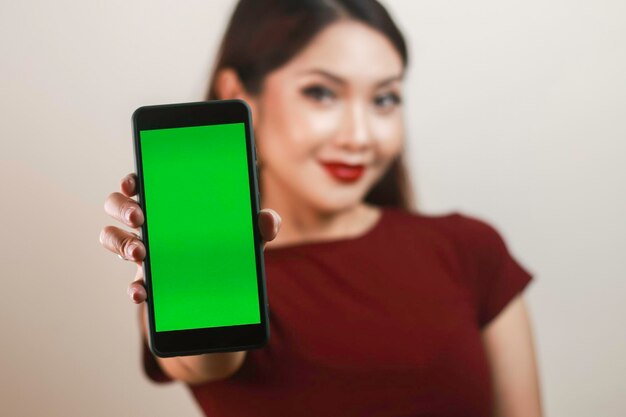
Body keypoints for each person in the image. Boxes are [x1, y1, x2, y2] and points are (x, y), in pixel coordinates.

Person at [100, 0, 542, 415]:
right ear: (239, 94)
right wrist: (189, 268)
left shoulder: (469, 249)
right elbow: (206, 360)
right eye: (322, 93)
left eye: (384, 98)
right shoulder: (217, 284)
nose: (360, 136)